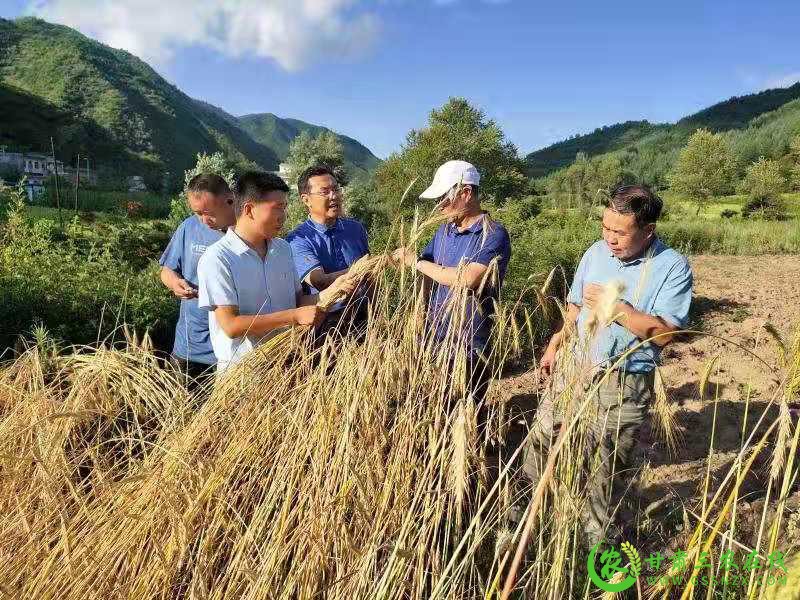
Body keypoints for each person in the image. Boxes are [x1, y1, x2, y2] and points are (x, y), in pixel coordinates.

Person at [519, 184, 693, 545]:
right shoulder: (595, 253)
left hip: (624, 383)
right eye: (606, 228)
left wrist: (619, 312)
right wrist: (556, 343)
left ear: (648, 231)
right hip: (574, 368)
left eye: (620, 232)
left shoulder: (671, 267)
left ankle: (593, 547)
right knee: (540, 443)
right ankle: (524, 522)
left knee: (605, 469)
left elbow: (664, 335)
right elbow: (575, 310)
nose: (610, 239)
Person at [197, 171, 354, 372]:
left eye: (285, 207)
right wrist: (294, 317)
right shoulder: (217, 259)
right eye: (278, 207)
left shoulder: (282, 249)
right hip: (245, 377)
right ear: (249, 209)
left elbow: (298, 302)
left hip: (288, 368)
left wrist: (332, 291)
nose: (284, 215)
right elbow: (231, 325)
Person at [392, 160, 511, 404]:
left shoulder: (493, 234)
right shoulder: (444, 231)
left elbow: (468, 278)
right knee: (433, 406)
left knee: (465, 409)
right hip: (435, 335)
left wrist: (414, 261)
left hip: (469, 342)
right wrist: (419, 310)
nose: (439, 207)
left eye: (443, 199)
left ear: (466, 193)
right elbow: (428, 271)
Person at [159, 173, 235, 382]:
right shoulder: (189, 227)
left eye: (208, 212)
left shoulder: (247, 233)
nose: (203, 220)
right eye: (198, 212)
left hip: (229, 350)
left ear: (230, 199)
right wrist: (175, 283)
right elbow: (167, 270)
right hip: (188, 346)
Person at [286, 165, 370, 337]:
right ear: (306, 199)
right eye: (325, 192)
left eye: (336, 189)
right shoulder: (298, 239)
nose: (334, 196)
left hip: (363, 322)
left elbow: (370, 281)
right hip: (325, 329)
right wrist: (364, 267)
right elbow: (320, 281)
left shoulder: (355, 229)